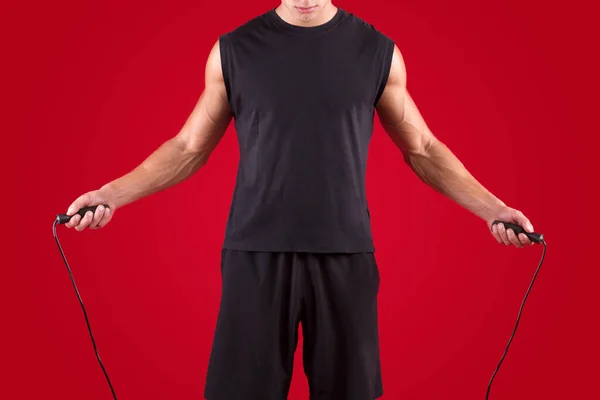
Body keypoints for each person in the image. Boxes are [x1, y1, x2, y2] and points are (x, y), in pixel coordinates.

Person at [64, 1, 537, 399]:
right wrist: (110, 194)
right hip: (254, 252)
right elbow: (188, 148)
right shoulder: (234, 50)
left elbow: (423, 148)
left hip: (346, 253)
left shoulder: (376, 50)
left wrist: (493, 208)